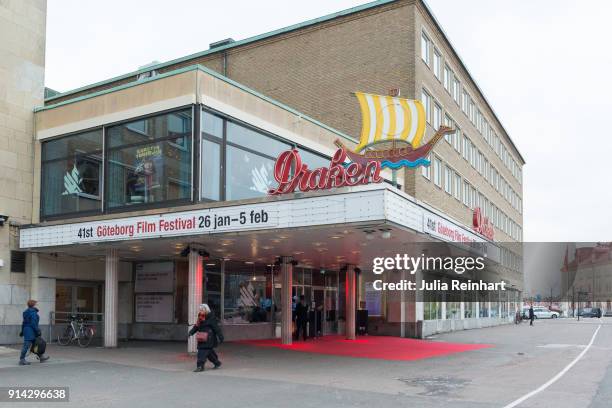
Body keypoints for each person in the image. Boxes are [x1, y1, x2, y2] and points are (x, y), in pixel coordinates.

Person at [188, 304, 223, 372]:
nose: (200, 311)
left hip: (209, 339)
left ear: (206, 310)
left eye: (202, 310)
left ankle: (200, 366)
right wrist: (191, 332)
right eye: (200, 310)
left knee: (202, 352)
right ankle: (217, 362)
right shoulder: (200, 317)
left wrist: (221, 337)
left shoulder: (211, 318)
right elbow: (196, 326)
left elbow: (216, 328)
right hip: (202, 338)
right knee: (209, 353)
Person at [19, 300, 49, 365]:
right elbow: (33, 323)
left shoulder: (26, 312)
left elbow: (24, 322)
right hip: (31, 331)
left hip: (27, 330)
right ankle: (22, 359)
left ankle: (41, 357)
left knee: (37, 344)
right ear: (33, 305)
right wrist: (37, 330)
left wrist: (22, 331)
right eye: (36, 304)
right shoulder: (33, 313)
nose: (37, 305)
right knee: (26, 345)